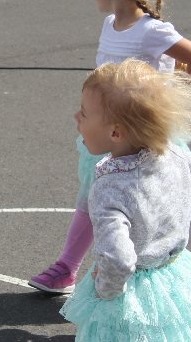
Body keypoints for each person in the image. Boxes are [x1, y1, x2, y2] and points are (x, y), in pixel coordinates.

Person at [29, 0, 191, 293]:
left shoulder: (152, 31)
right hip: (109, 137)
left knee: (155, 203)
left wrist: (176, 84)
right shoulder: (110, 25)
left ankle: (155, 267)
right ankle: (67, 267)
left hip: (141, 142)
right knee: (93, 197)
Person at [59, 60, 191, 340]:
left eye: (84, 113)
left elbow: (118, 259)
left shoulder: (111, 189)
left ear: (116, 133)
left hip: (133, 295)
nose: (76, 116)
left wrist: (105, 289)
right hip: (175, 277)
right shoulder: (176, 155)